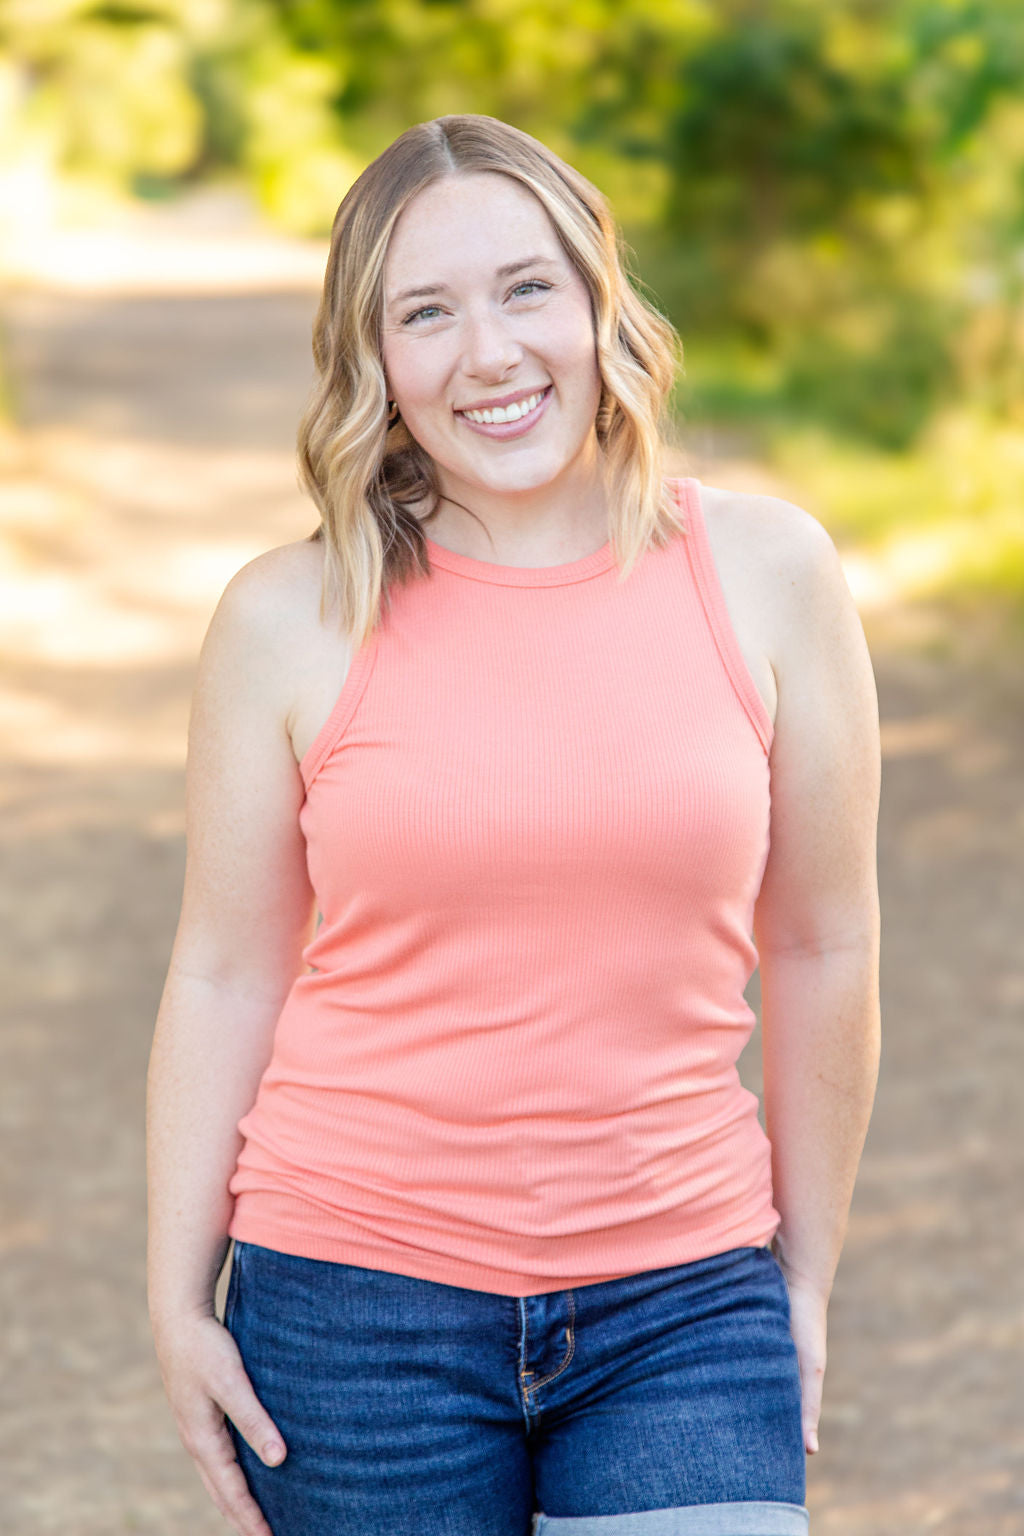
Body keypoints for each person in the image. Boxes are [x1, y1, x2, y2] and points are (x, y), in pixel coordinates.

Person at [146, 114, 881, 1536]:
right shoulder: (286, 618)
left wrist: (803, 1273)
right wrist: (175, 1300)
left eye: (525, 288)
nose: (487, 353)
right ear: (374, 362)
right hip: (353, 1314)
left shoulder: (771, 571)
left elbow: (825, 940)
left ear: (601, 296)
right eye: (426, 312)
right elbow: (225, 968)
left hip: (683, 1296)